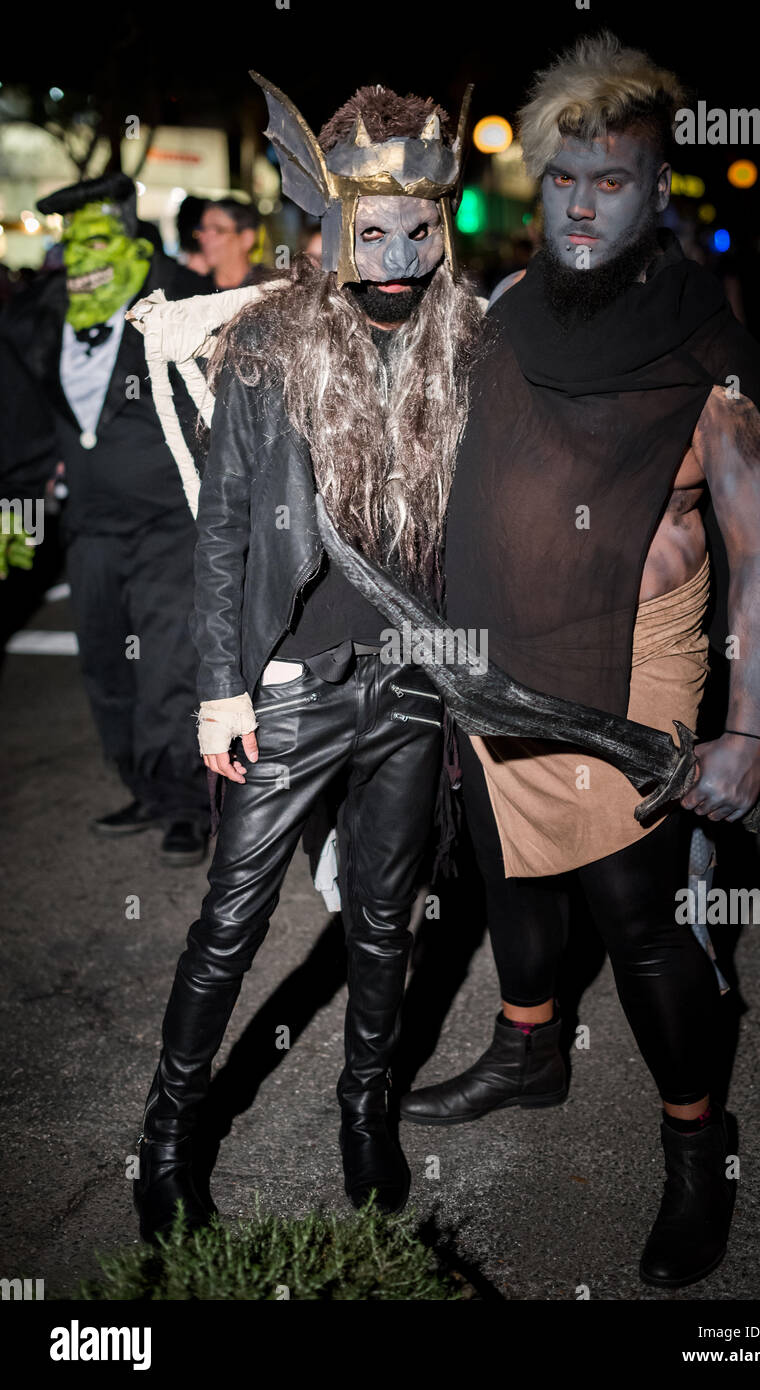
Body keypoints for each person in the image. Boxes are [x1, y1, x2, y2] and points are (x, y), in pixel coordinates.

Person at [399, 33, 760, 1289]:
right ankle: (530, 1048)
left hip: (634, 668)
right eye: (564, 180)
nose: (581, 204)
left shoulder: (706, 353)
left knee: (635, 915)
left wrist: (747, 734)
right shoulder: (511, 309)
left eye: (610, 181)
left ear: (655, 190)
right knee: (511, 872)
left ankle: (696, 1143)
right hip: (502, 651)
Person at [132, 73, 481, 1241]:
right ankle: (171, 1138)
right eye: (370, 229)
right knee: (232, 919)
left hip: (415, 684)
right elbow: (224, 527)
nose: (395, 254)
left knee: (388, 920)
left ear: (444, 222)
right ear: (326, 218)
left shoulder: (463, 337)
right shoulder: (270, 339)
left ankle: (365, 1115)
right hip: (289, 683)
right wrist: (219, 692)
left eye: (417, 230)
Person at [0, 172, 212, 864]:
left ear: (129, 237)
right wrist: (20, 511)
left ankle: (185, 802)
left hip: (168, 523)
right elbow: (22, 420)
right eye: (71, 244)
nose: (83, 260)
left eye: (99, 239)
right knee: (104, 666)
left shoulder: (182, 296)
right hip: (88, 525)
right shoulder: (40, 312)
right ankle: (142, 787)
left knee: (168, 668)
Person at [194, 198, 269, 290]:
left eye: (218, 230)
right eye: (202, 229)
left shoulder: (267, 288)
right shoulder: (194, 289)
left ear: (247, 238)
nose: (203, 238)